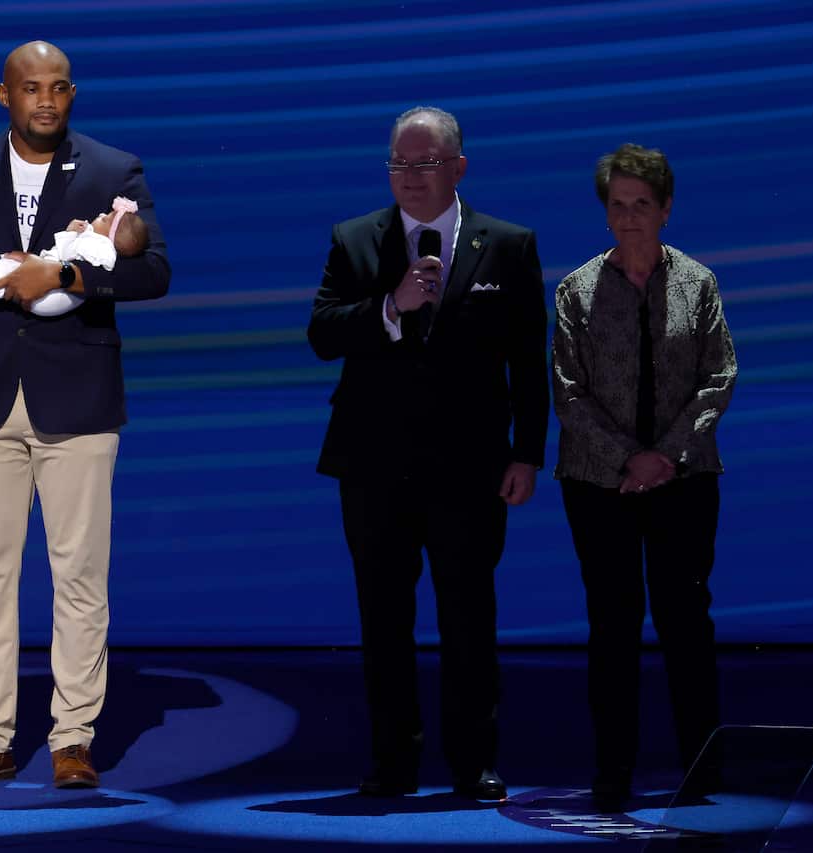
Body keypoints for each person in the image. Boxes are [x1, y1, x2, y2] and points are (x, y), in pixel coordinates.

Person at [0, 41, 170, 789]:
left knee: (79, 576)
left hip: (79, 399)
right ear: (5, 96)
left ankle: (72, 739)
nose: (46, 101)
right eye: (31, 89)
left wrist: (62, 272)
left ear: (72, 93)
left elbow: (153, 270)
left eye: (58, 88)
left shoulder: (112, 169)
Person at [307, 106, 549, 800]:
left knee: (470, 618)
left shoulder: (508, 244)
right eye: (399, 164)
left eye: (425, 163)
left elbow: (528, 362)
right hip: (373, 468)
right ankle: (392, 763)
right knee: (384, 621)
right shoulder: (355, 240)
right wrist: (391, 305)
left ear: (458, 168)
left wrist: (527, 454)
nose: (410, 177)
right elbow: (323, 332)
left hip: (472, 469)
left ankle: (474, 763)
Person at [552, 143, 737, 809]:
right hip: (599, 486)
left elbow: (719, 377)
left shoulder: (699, 283)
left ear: (665, 209)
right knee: (613, 623)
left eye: (641, 206)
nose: (629, 218)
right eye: (617, 206)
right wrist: (630, 458)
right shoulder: (575, 291)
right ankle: (614, 773)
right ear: (606, 215)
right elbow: (568, 394)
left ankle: (702, 769)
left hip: (685, 481)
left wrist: (667, 455)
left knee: (687, 620)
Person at [0, 196, 149, 316]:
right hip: (52, 292)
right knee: (14, 258)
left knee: (15, 261)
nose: (100, 214)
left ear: (110, 236)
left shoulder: (101, 246)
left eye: (104, 219)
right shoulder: (94, 241)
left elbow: (67, 254)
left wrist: (71, 232)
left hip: (54, 297)